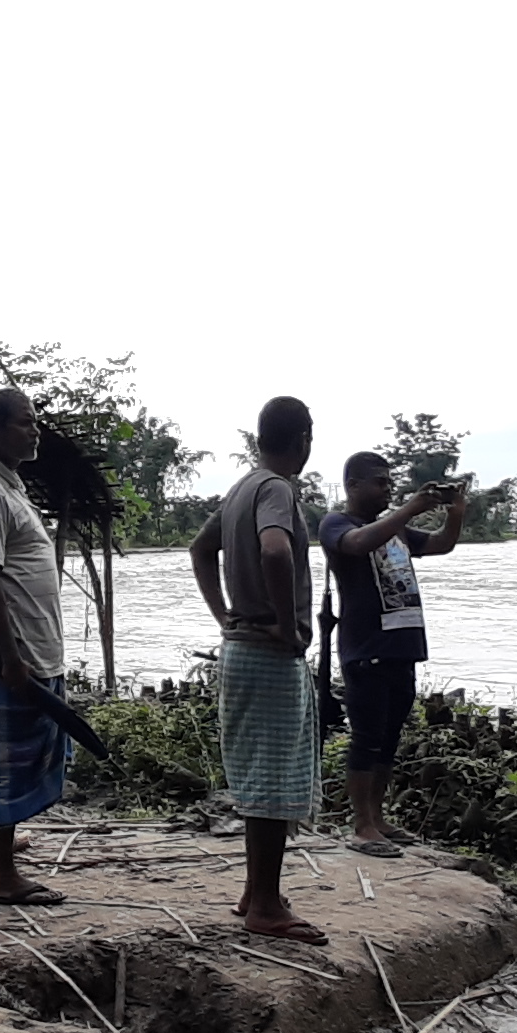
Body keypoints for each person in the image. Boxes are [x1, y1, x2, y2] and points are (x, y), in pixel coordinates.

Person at [190, 396, 324, 944]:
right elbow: (275, 552)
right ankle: (265, 904)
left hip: (242, 646)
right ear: (304, 439)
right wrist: (288, 625)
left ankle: (255, 890)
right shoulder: (275, 488)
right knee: (273, 778)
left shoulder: (241, 486)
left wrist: (225, 614)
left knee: (263, 773)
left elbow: (200, 550)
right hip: (269, 650)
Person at [0, 387, 74, 903]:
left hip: (30, 647)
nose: (35, 430)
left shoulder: (9, 485)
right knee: (6, 767)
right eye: (25, 422)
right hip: (12, 655)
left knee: (22, 758)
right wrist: (10, 657)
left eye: (35, 422)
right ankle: (3, 876)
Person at [320, 454, 466, 857]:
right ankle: (362, 824)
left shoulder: (398, 530)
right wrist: (411, 508)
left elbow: (442, 544)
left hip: (402, 647)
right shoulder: (337, 524)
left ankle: (379, 818)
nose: (387, 488)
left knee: (389, 738)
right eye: (379, 482)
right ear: (353, 486)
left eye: (389, 482)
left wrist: (455, 511)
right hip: (366, 648)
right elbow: (359, 543)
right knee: (366, 738)